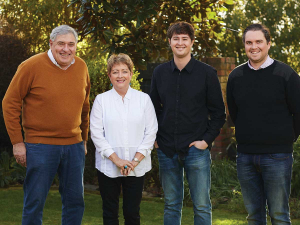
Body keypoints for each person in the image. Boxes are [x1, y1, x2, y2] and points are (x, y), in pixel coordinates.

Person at [2, 25, 90, 225]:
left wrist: (84, 139)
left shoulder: (82, 67)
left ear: (76, 46)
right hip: (40, 146)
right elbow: (10, 103)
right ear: (51, 44)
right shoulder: (31, 66)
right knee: (35, 201)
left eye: (71, 44)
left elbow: (85, 106)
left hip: (74, 146)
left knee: (75, 202)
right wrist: (17, 142)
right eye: (61, 44)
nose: (65, 49)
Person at [150, 21, 226, 225]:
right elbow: (152, 110)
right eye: (176, 39)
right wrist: (156, 140)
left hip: (196, 149)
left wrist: (206, 141)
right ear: (169, 42)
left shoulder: (207, 73)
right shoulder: (160, 73)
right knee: (171, 204)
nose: (180, 43)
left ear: (192, 42)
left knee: (201, 205)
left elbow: (219, 113)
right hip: (166, 149)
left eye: (185, 39)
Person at [227, 23, 300, 225]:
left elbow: (298, 111)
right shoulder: (236, 77)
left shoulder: (286, 75)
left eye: (259, 41)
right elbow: (234, 112)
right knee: (253, 217)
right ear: (244, 46)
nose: (254, 46)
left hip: (278, 155)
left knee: (279, 216)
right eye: (249, 42)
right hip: (246, 157)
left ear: (268, 43)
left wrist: (286, 138)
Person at [90, 53, 158, 225]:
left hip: (137, 166)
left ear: (131, 74)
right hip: (108, 166)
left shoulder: (144, 100)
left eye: (124, 71)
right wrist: (118, 160)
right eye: (115, 72)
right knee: (110, 213)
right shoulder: (101, 100)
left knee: (132, 213)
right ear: (109, 75)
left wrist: (134, 161)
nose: (120, 76)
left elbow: (151, 132)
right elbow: (97, 134)